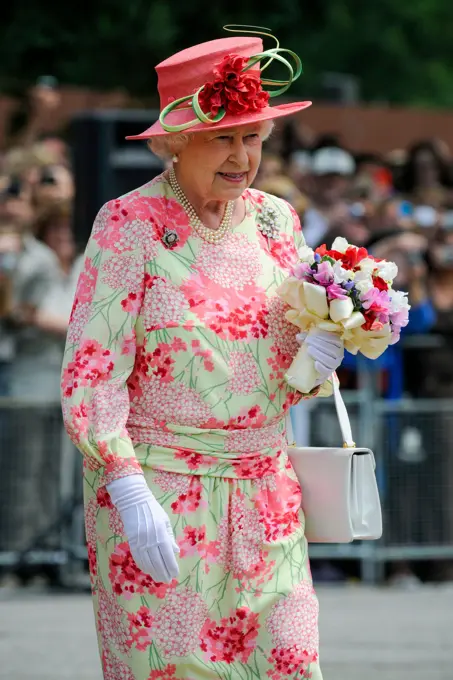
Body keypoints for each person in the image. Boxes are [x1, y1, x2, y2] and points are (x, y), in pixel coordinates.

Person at [61, 29, 344, 679]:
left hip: (266, 490)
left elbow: (288, 361)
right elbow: (92, 365)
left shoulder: (276, 220)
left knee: (289, 664)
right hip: (160, 491)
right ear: (174, 141)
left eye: (252, 137)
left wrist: (320, 353)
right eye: (223, 137)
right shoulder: (128, 223)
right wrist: (126, 485)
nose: (242, 156)